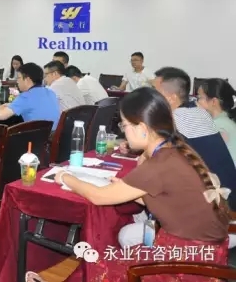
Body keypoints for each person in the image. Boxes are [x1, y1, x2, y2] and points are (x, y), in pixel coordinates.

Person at [33, 88, 231, 282]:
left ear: (142, 128)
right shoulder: (174, 150)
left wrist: (66, 177)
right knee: (106, 259)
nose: (123, 130)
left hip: (185, 262)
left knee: (101, 265)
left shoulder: (160, 164)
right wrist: (129, 188)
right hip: (199, 251)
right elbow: (167, 199)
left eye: (124, 125)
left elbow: (98, 197)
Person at [118, 67, 236, 247]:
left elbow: (147, 166)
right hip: (225, 209)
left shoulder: (175, 119)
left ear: (171, 98)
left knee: (126, 233)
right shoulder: (199, 113)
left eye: (154, 91)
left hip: (210, 224)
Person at [0, 63, 61, 130]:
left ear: (27, 80)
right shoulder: (50, 92)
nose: (17, 81)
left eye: (19, 78)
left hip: (37, 135)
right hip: (55, 134)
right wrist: (10, 105)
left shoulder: (26, 97)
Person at [197, 78, 236, 163]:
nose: (197, 102)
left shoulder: (218, 126)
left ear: (214, 101)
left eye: (200, 97)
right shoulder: (225, 122)